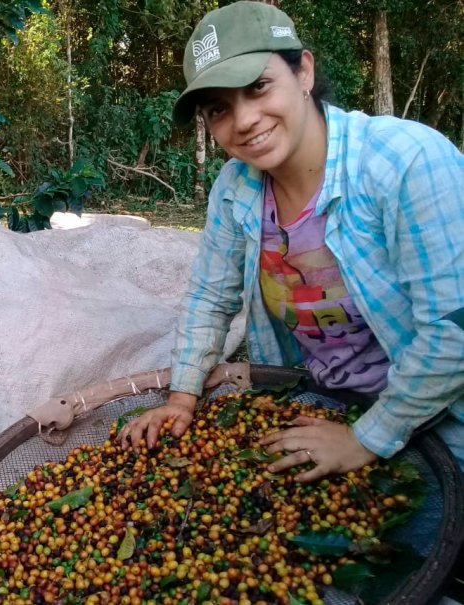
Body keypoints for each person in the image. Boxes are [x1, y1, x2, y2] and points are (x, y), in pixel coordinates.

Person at [118, 1, 464, 482]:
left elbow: (454, 330)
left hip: (439, 421)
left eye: (258, 87)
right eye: (219, 108)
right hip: (322, 403)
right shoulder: (236, 187)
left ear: (303, 71)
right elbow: (209, 298)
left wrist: (366, 438)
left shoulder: (406, 162)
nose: (243, 121)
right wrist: (182, 398)